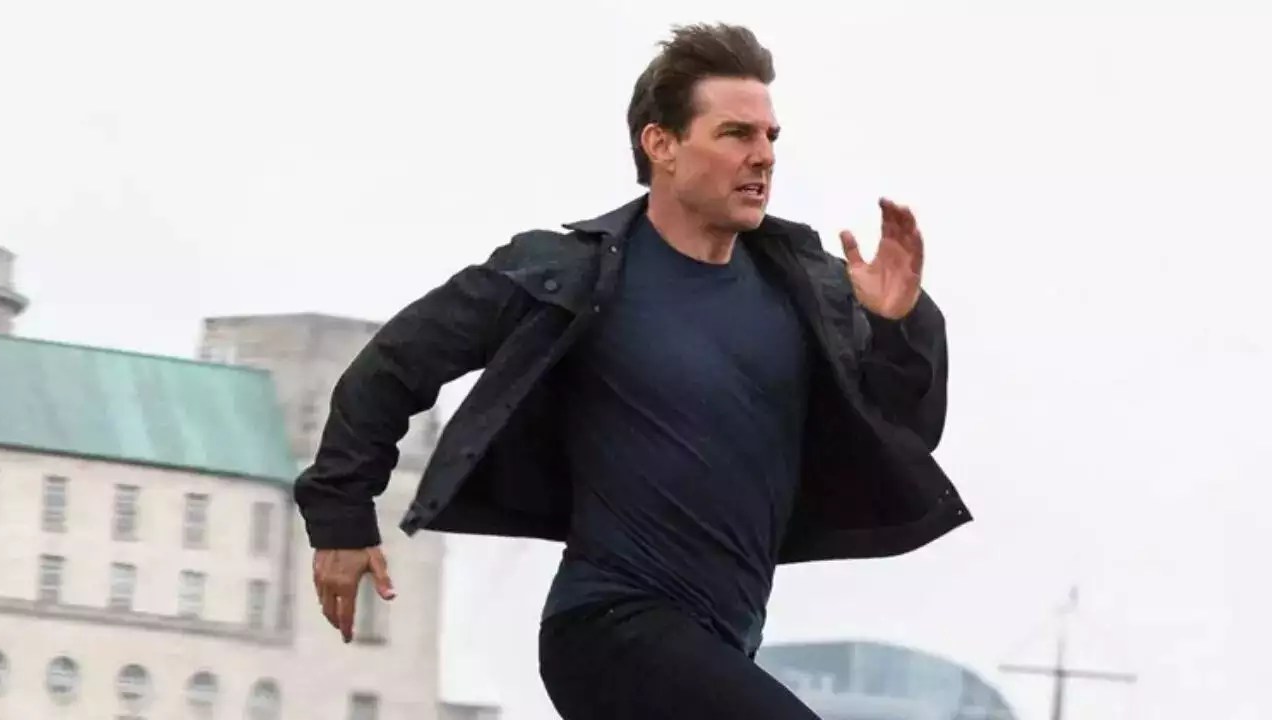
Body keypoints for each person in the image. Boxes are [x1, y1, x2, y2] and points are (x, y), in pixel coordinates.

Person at [294, 22, 971, 720]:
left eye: (771, 136)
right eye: (736, 134)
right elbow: (395, 364)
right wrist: (341, 518)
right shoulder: (567, 275)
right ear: (661, 145)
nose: (764, 156)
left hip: (725, 640)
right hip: (607, 628)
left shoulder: (806, 293)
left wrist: (899, 324)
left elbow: (905, 434)